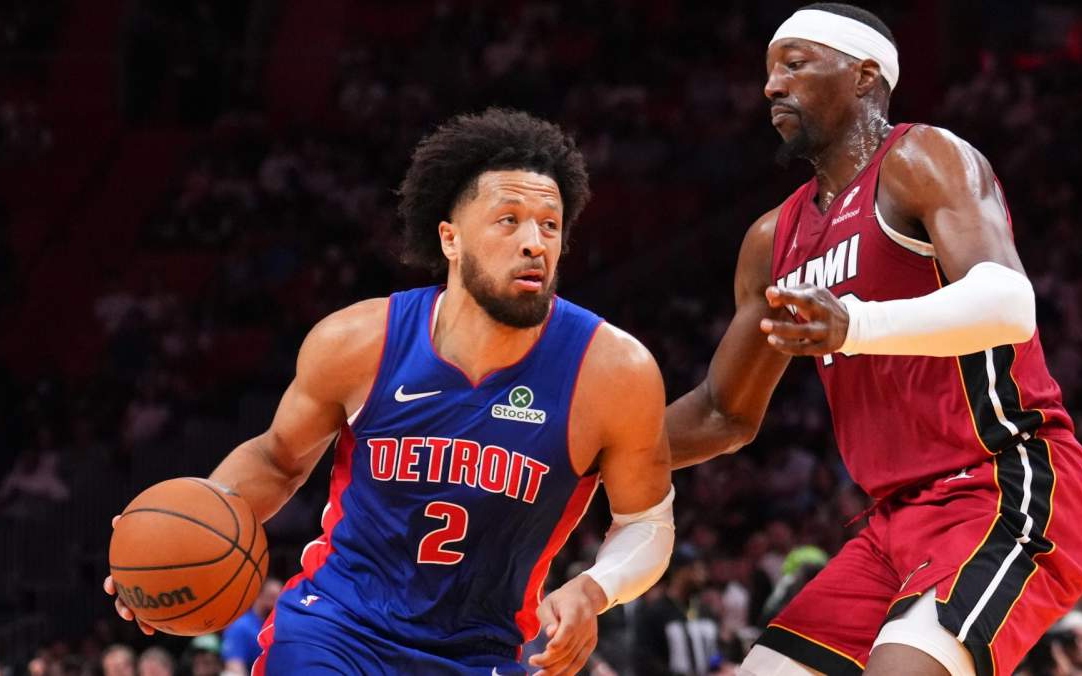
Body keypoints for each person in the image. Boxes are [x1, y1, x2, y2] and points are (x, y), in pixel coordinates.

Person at [104, 108, 675, 675]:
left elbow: (646, 523)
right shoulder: (359, 341)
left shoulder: (612, 371)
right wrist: (169, 542)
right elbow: (277, 460)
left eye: (550, 225)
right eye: (509, 220)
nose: (534, 243)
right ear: (450, 238)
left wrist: (594, 589)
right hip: (338, 630)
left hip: (483, 650)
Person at [665, 4, 1082, 675]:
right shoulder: (771, 239)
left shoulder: (923, 158)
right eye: (770, 70)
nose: (772, 85)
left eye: (795, 64)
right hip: (891, 523)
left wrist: (856, 324)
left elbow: (1011, 304)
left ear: (864, 76)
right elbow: (724, 413)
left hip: (1001, 483)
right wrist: (585, 453)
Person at [221, 577, 282, 674]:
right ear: (259, 596)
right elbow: (234, 666)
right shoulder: (241, 626)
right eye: (272, 598)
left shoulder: (280, 628)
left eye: (279, 600)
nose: (276, 604)